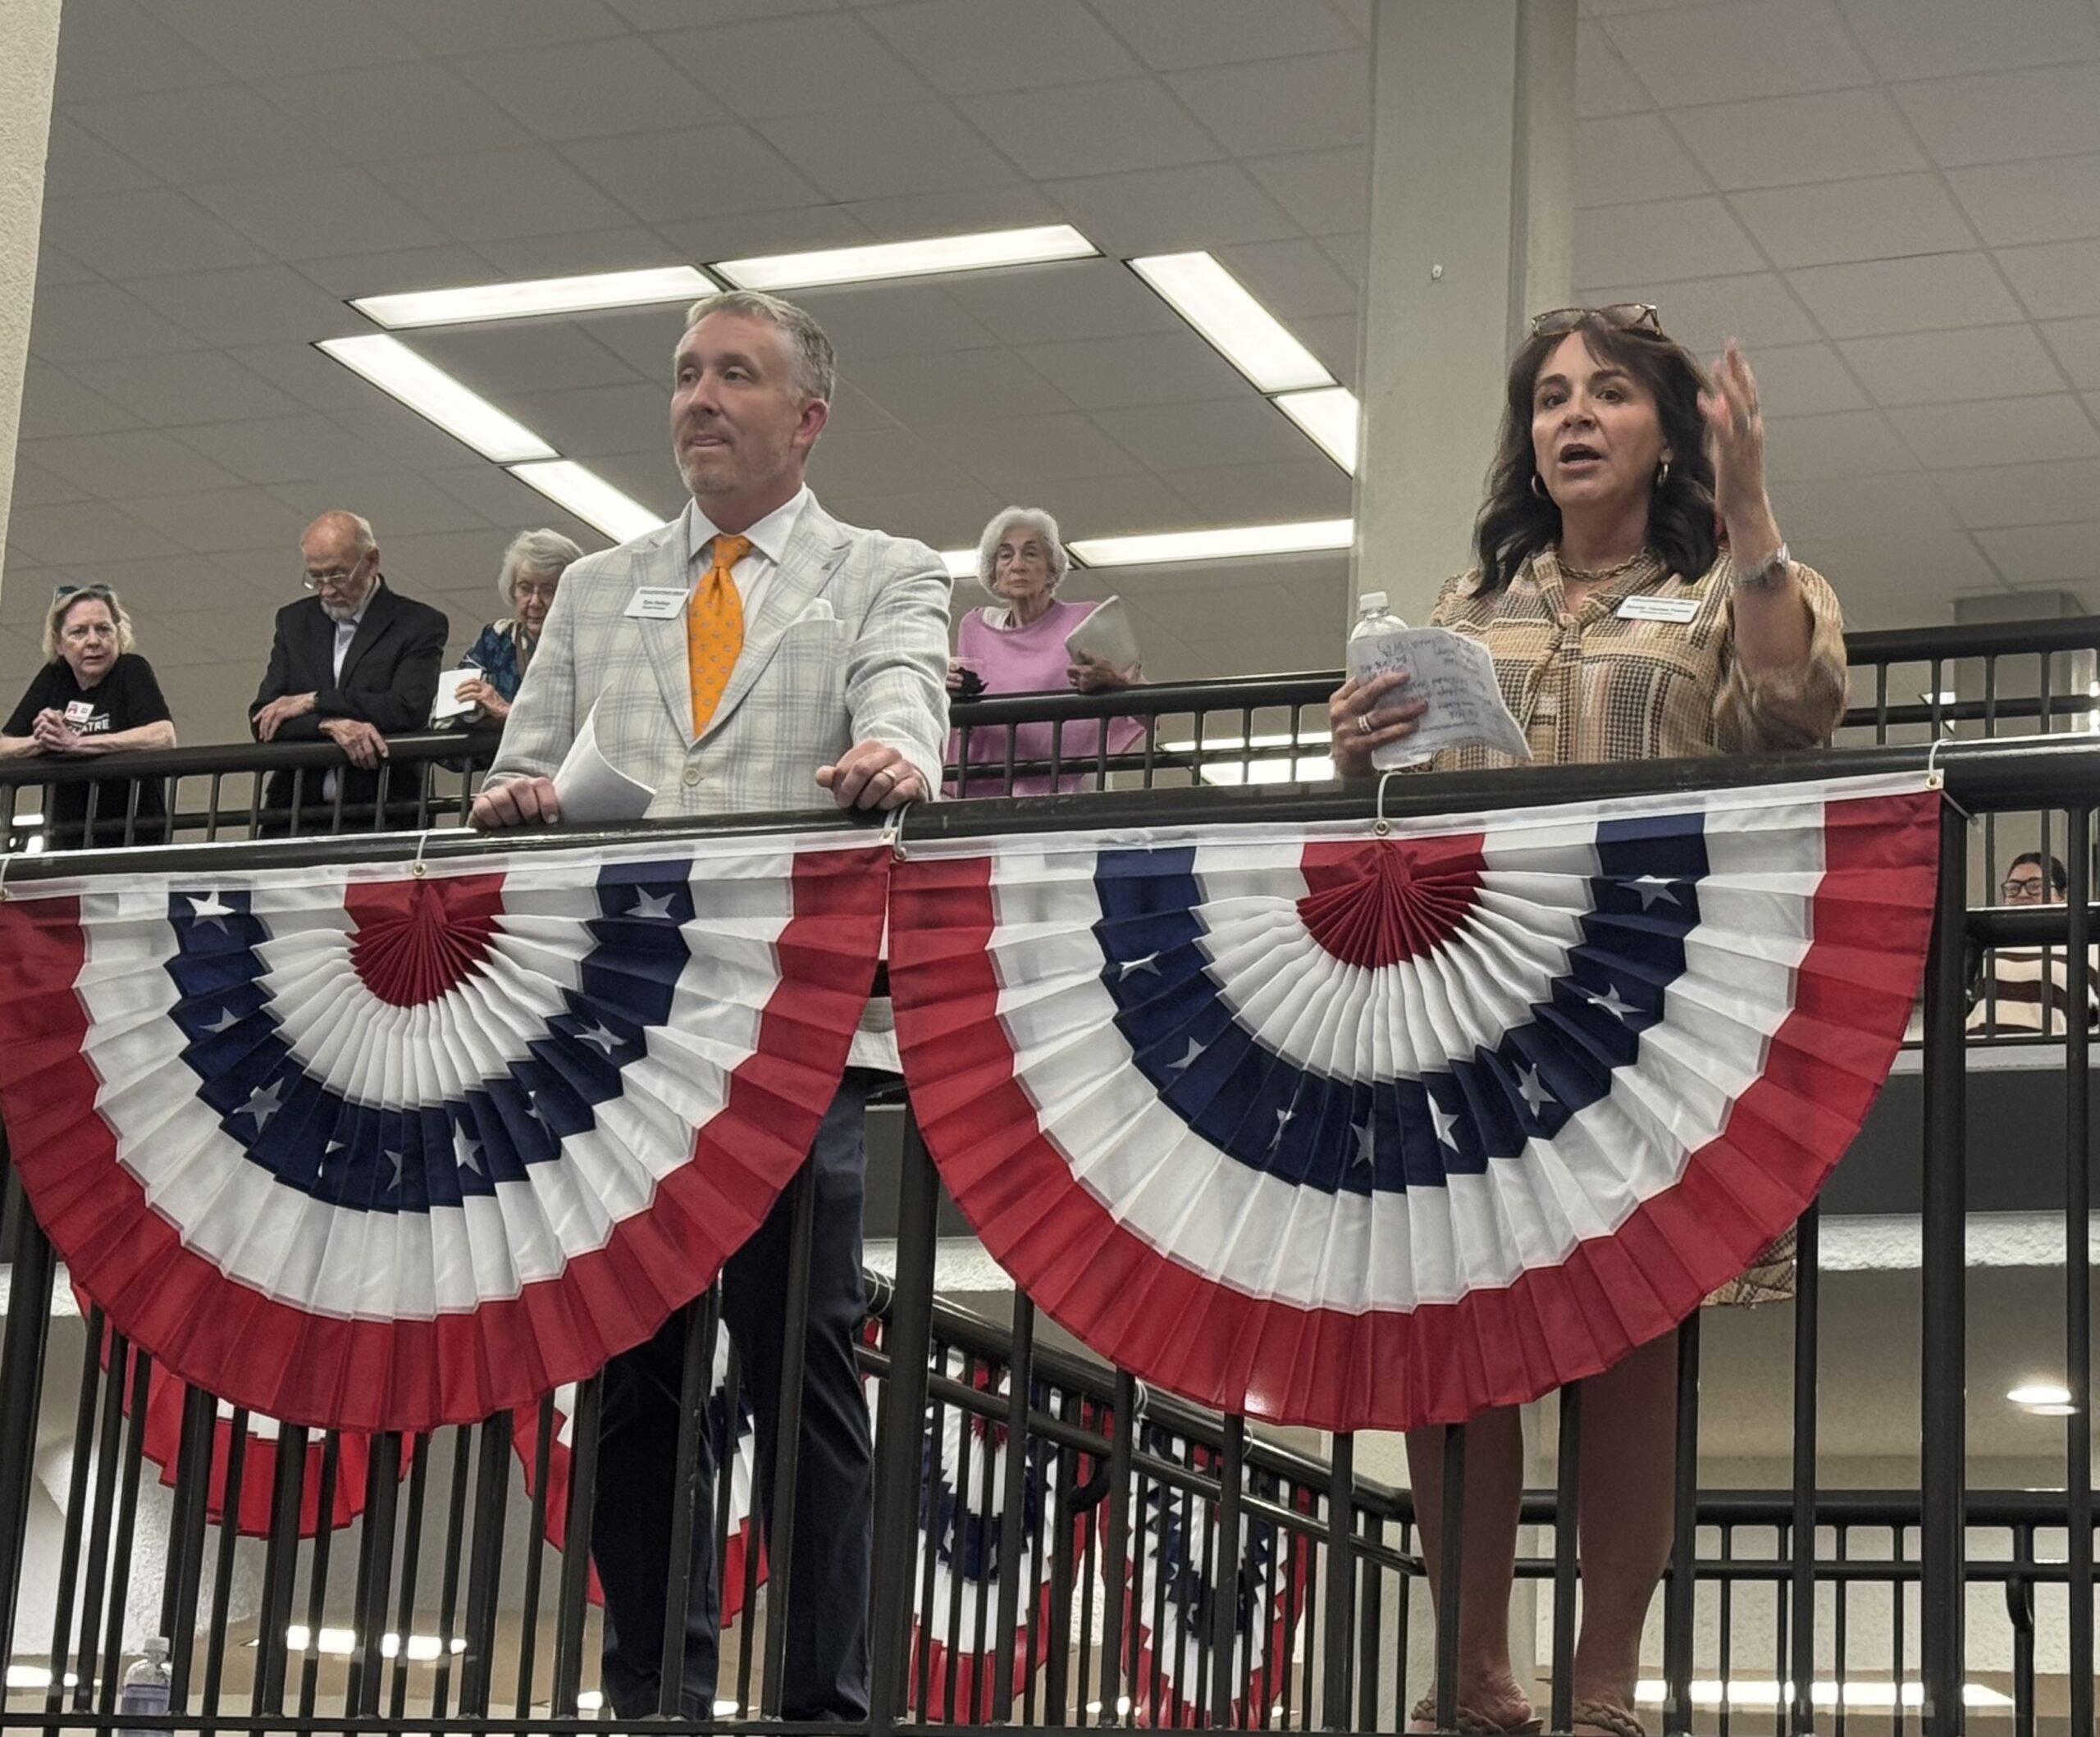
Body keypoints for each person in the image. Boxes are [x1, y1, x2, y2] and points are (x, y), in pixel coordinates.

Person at [1329, 303, 1846, 1737]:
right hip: (1480, 1012)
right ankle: (1477, 1667)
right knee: (1463, 1332)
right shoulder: (1463, 606)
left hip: (1653, 1013)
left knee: (1630, 1339)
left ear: (1664, 428)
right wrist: (1361, 749)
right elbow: (1405, 810)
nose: (1572, 416)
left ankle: (1604, 1686)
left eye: (1608, 394)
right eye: (1551, 395)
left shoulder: (1725, 582)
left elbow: (1797, 711)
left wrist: (1750, 518)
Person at [471, 289, 949, 1722]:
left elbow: (907, 697)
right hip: (623, 1040)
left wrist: (892, 748)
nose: (699, 397)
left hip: (790, 1029)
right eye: (685, 373)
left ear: (806, 415)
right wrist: (515, 800)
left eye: (734, 374)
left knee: (802, 1353)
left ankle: (820, 1696)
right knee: (634, 1368)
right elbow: (525, 770)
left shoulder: (883, 568)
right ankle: (654, 1690)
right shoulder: (603, 583)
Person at [249, 512, 448, 823]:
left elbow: (407, 708)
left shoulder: (418, 623)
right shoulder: (294, 622)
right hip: (297, 815)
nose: (327, 590)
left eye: (338, 575)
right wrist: (326, 725)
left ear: (371, 561)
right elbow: (264, 717)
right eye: (316, 577)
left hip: (385, 812)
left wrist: (314, 701)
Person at [944, 506, 1142, 794]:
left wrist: (1115, 682)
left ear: (1051, 569)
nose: (1017, 565)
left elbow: (1150, 713)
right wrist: (948, 687)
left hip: (1072, 790)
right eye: (1005, 555)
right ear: (994, 571)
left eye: (1031, 553)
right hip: (993, 789)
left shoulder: (1086, 621)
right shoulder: (975, 627)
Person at [1, 584, 175, 847]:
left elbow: (163, 736)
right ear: (59, 643)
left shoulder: (131, 669)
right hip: (66, 840)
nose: (93, 641)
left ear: (119, 634)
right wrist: (41, 742)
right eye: (79, 632)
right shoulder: (55, 676)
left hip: (132, 840)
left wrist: (77, 743)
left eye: (103, 629)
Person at [443, 527, 584, 723]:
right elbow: (443, 713)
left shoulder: (588, 646)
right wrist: (476, 708)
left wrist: (509, 712)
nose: (535, 602)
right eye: (525, 588)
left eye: (548, 590)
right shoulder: (495, 638)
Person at [1972, 851, 2099, 1035]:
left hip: (2058, 1055)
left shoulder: (2088, 947)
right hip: (1981, 1053)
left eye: (2035, 886)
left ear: (2062, 894)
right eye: (2013, 887)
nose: (2022, 894)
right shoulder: (1986, 944)